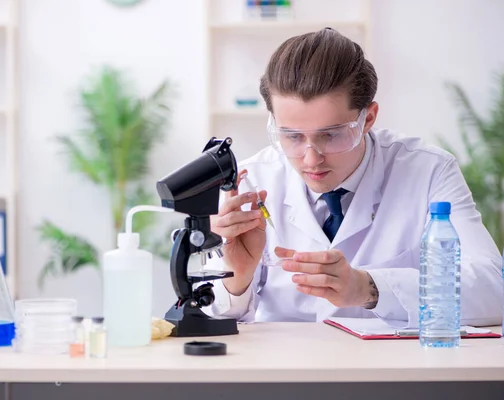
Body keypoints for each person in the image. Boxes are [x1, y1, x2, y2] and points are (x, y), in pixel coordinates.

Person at [203, 28, 503, 327]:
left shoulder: (428, 170)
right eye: (291, 136)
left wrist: (369, 287)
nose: (311, 159)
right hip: (284, 367)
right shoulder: (251, 178)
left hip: (390, 369)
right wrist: (236, 280)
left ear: (367, 119)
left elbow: (493, 292)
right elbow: (210, 319)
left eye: (331, 135)